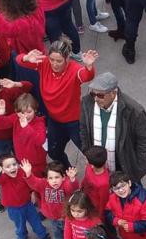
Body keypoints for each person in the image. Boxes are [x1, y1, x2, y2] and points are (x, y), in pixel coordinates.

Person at [17, 38, 97, 168]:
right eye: (52, 59)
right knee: (54, 152)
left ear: (67, 58)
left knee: (90, 153)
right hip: (54, 120)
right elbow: (19, 60)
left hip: (75, 121)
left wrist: (89, 66)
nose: (54, 64)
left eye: (59, 61)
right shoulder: (44, 63)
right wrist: (26, 57)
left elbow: (86, 76)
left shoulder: (74, 69)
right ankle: (67, 171)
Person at [79, 72, 146, 181]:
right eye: (93, 94)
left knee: (129, 190)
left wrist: (138, 161)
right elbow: (84, 129)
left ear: (113, 93)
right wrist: (87, 151)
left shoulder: (134, 110)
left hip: (125, 163)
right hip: (99, 163)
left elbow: (145, 138)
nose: (95, 99)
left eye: (100, 95)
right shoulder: (87, 103)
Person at [0, 154, 46, 239]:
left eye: (14, 164)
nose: (12, 168)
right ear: (2, 169)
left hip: (28, 204)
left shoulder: (22, 172)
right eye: (8, 166)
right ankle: (22, 237)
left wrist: (32, 192)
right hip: (14, 208)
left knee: (36, 221)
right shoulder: (4, 177)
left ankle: (42, 235)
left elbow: (30, 183)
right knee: (20, 225)